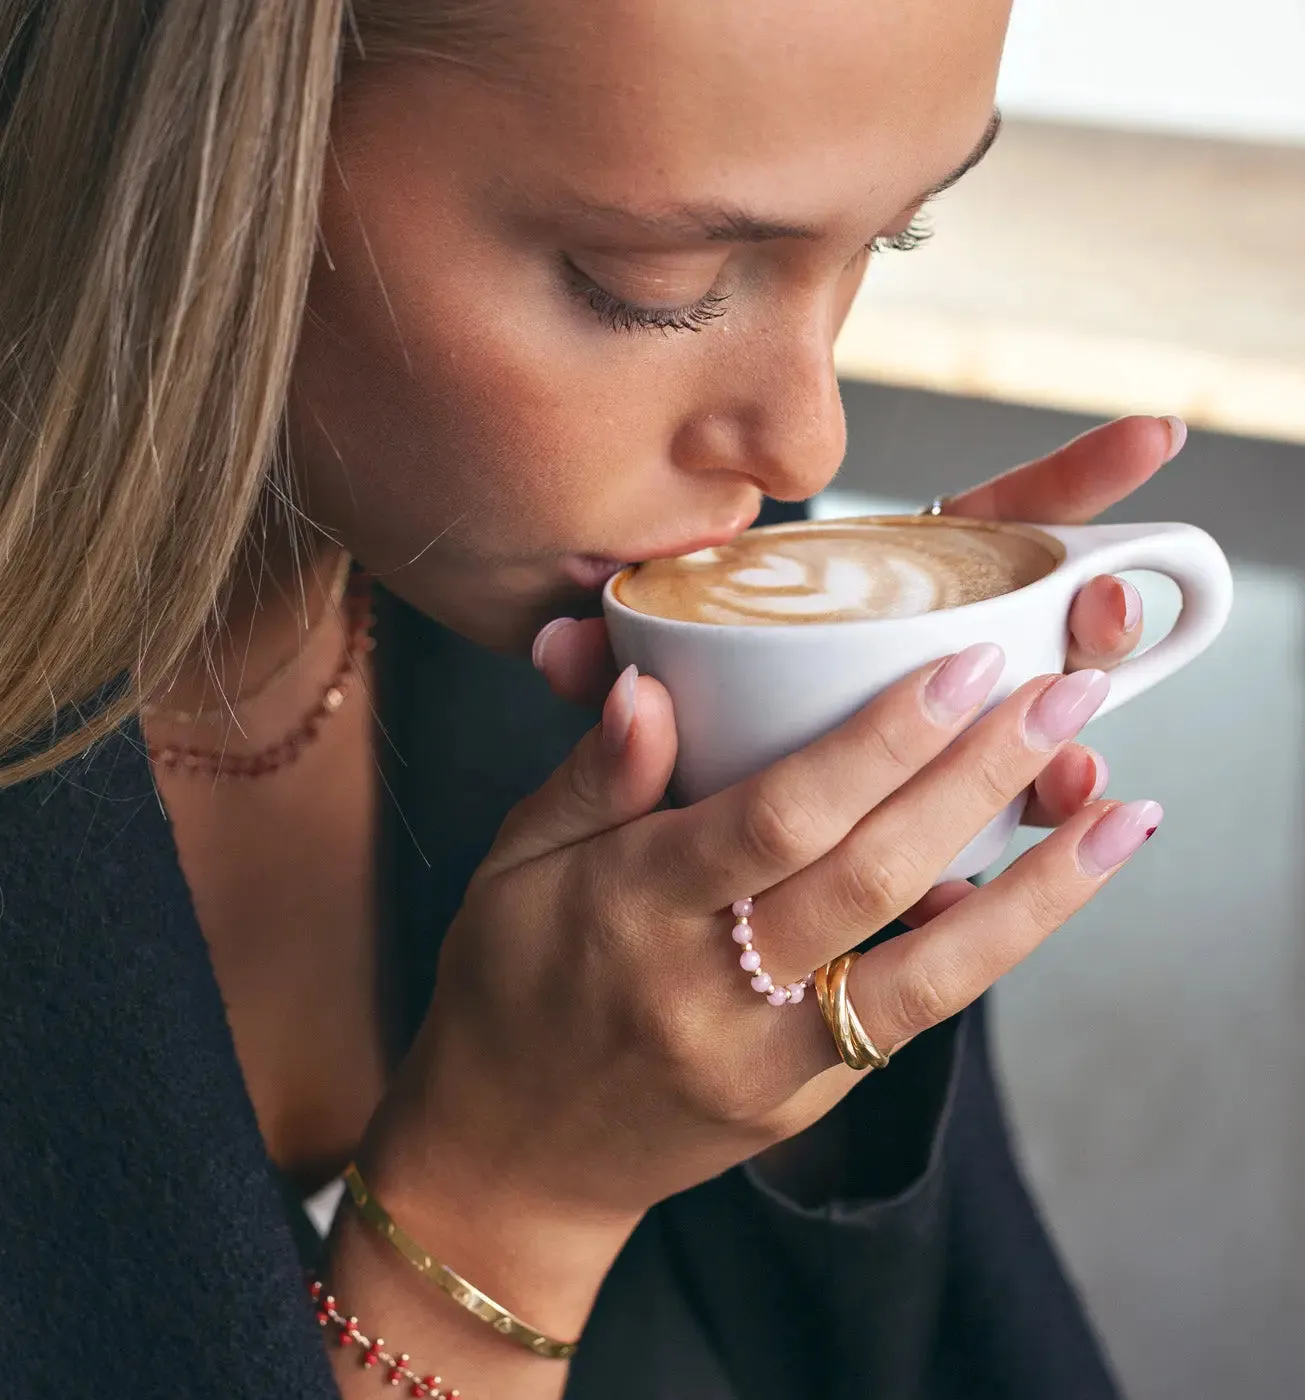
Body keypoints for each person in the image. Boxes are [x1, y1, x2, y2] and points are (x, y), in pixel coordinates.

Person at [0, 3, 1179, 1397]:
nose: (808, 436)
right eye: (652, 280)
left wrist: (802, 985)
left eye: (886, 240)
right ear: (210, 154)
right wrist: (507, 1213)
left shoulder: (651, 586)